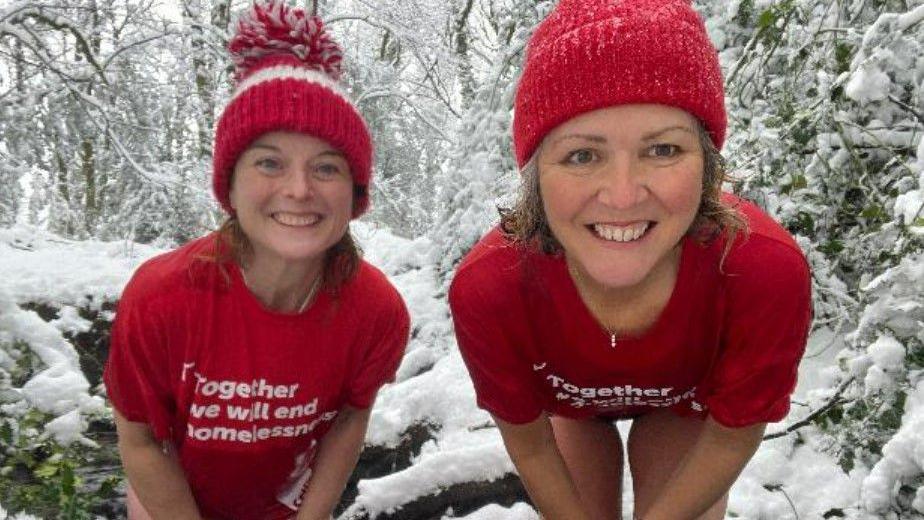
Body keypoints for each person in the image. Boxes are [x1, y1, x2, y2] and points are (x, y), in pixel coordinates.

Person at [448, 0, 812, 519]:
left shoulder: (761, 270)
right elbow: (530, 445)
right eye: (582, 155)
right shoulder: (492, 287)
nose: (622, 195)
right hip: (572, 414)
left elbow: (733, 435)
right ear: (536, 176)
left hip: (686, 409)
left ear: (708, 164)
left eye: (662, 150)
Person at [103, 2, 409, 519]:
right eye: (270, 162)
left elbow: (352, 418)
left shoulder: (376, 312)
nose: (298, 189)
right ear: (231, 183)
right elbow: (140, 440)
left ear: (354, 192)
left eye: (327, 167)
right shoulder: (161, 297)